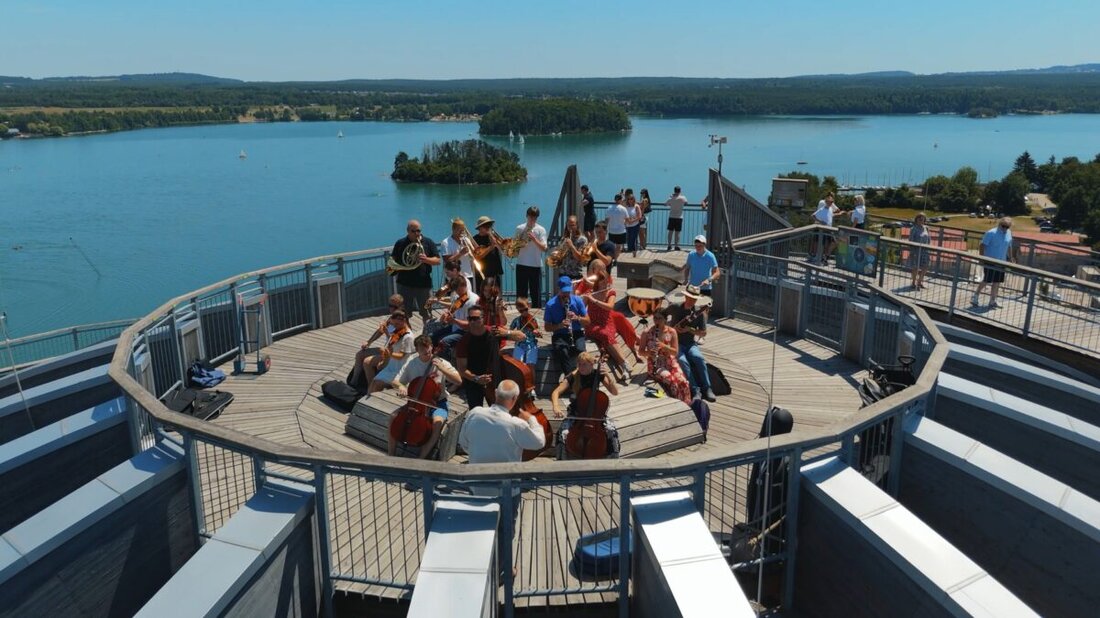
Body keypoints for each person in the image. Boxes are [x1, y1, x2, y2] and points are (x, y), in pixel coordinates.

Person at [458, 379, 547, 552]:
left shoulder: (475, 413)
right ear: (514, 399)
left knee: (480, 528)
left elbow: (464, 443)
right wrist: (533, 420)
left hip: (477, 485)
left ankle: (484, 561)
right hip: (507, 489)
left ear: (496, 394)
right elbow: (539, 442)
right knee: (506, 530)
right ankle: (504, 568)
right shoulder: (516, 424)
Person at [389, 335, 463, 459]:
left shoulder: (442, 363)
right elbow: (395, 381)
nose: (428, 355)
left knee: (438, 422)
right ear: (417, 351)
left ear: (432, 347)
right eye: (423, 353)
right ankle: (390, 454)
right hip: (415, 402)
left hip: (438, 403)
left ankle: (421, 458)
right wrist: (401, 387)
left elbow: (459, 381)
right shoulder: (412, 362)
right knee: (393, 417)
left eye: (429, 351)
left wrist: (442, 368)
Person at [574, 260, 634, 383]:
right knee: (605, 335)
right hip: (592, 323)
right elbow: (581, 309)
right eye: (601, 282)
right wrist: (579, 299)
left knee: (607, 335)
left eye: (605, 281)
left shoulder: (610, 292)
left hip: (606, 322)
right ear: (597, 283)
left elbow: (610, 306)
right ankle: (624, 365)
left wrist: (594, 300)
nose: (604, 284)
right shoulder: (590, 292)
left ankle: (624, 365)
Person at [669, 286, 716, 402]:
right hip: (676, 343)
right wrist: (669, 328)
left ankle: (707, 388)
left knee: (699, 358)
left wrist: (689, 330)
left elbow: (703, 333)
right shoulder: (675, 307)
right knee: (683, 361)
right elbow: (662, 315)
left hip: (690, 343)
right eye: (690, 298)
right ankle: (695, 390)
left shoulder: (699, 312)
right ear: (685, 296)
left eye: (694, 299)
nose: (692, 301)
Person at [391, 220, 441, 326]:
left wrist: (426, 259)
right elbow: (393, 261)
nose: (416, 233)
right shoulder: (400, 243)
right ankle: (407, 336)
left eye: (418, 230)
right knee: (403, 314)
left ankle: (426, 336)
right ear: (408, 231)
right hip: (404, 284)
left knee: (426, 313)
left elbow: (438, 260)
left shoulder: (428, 242)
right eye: (413, 231)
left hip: (423, 285)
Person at [638, 307, 693, 405]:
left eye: (660, 318)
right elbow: (641, 352)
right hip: (656, 365)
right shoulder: (647, 333)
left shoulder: (672, 332)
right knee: (673, 383)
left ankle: (688, 404)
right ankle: (679, 406)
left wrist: (664, 346)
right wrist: (649, 353)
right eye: (655, 318)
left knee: (683, 382)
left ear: (665, 319)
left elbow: (675, 352)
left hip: (670, 362)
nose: (657, 321)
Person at [349, 298, 405, 389]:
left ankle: (373, 388)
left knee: (367, 361)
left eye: (394, 307)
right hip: (386, 350)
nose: (391, 309)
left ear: (401, 306)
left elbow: (394, 340)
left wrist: (385, 330)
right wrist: (368, 342)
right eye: (390, 306)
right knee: (360, 354)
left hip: (394, 354)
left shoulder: (401, 321)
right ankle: (353, 383)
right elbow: (381, 331)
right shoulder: (392, 318)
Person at [543, 275, 591, 376]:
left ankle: (585, 376)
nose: (566, 294)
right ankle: (571, 379)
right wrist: (559, 326)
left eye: (568, 291)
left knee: (581, 350)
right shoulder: (550, 305)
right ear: (558, 290)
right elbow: (547, 327)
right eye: (564, 291)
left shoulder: (577, 301)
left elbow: (588, 321)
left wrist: (577, 318)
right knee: (562, 351)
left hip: (576, 332)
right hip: (559, 334)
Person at [549, 351, 619, 419]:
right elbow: (556, 392)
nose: (581, 367)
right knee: (565, 431)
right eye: (579, 364)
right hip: (577, 410)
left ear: (591, 364)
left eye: (584, 364)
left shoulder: (597, 374)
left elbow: (615, 392)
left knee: (611, 430)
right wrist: (556, 407)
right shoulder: (573, 376)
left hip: (595, 410)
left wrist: (608, 375)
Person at [362, 310, 416, 394]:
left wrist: (389, 354)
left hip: (400, 368)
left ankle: (372, 398)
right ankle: (366, 398)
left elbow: (402, 356)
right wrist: (385, 330)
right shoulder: (396, 329)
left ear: (404, 321)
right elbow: (391, 338)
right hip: (392, 364)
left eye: (397, 324)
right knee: (373, 382)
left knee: (376, 384)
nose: (394, 327)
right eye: (393, 324)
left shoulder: (408, 337)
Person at [454, 306, 495, 409]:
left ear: (483, 318)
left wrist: (508, 333)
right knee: (476, 412)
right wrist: (477, 378)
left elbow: (519, 335)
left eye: (476, 318)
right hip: (473, 381)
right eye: (470, 319)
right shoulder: (463, 342)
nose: (472, 321)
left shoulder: (494, 333)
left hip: (495, 379)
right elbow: (461, 369)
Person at [429, 276, 479, 357]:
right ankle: (431, 359)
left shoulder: (473, 301)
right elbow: (453, 311)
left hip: (466, 331)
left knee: (444, 342)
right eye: (455, 290)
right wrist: (446, 316)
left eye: (458, 289)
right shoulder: (457, 297)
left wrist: (455, 321)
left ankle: (446, 364)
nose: (457, 292)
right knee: (432, 336)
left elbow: (471, 325)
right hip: (456, 327)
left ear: (464, 286)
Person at [972, 217, 1015, 309]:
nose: (1005, 228)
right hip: (990, 260)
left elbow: (1009, 246)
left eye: (1007, 227)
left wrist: (1011, 258)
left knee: (997, 281)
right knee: (987, 280)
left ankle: (992, 301)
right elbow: (982, 245)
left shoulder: (1009, 233)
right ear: (999, 224)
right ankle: (975, 296)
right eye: (1003, 226)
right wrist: (982, 259)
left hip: (1002, 261)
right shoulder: (991, 233)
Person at [514, 205, 549, 308]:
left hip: (535, 265)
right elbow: (514, 247)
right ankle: (520, 314)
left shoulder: (541, 230)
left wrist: (534, 239)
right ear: (527, 216)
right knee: (521, 294)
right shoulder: (519, 228)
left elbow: (544, 248)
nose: (532, 219)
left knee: (536, 294)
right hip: (521, 264)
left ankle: (536, 317)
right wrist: (520, 241)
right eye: (531, 216)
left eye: (535, 217)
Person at [439, 218, 476, 291]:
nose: (462, 232)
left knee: (467, 299)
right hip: (453, 277)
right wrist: (460, 253)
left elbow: (474, 254)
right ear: (453, 229)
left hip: (467, 275)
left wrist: (473, 251)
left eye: (463, 230)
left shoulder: (466, 240)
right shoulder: (446, 242)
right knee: (454, 300)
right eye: (460, 230)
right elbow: (448, 261)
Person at [810, 193, 846, 265]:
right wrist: (821, 222)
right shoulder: (822, 209)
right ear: (826, 202)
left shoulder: (830, 209)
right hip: (823, 229)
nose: (832, 203)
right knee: (823, 244)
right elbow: (812, 216)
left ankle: (824, 257)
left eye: (832, 202)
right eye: (830, 202)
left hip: (829, 229)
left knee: (833, 243)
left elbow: (831, 215)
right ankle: (821, 258)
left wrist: (840, 214)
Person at [472, 215, 504, 293]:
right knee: (483, 295)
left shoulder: (493, 237)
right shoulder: (475, 239)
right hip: (482, 272)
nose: (488, 227)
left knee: (495, 294)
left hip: (495, 271)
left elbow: (504, 249)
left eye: (489, 225)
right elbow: (477, 257)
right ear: (479, 228)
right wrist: (491, 247)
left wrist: (500, 244)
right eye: (485, 226)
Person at [508, 296, 541, 368]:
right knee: (517, 365)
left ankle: (532, 379)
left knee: (531, 365)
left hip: (531, 345)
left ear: (529, 306)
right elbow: (510, 331)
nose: (524, 313)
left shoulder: (534, 320)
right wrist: (515, 333)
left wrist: (537, 333)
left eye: (526, 309)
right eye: (521, 311)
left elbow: (539, 332)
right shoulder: (516, 320)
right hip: (519, 345)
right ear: (518, 310)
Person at [556, 214, 589, 281]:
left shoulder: (583, 240)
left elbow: (579, 258)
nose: (570, 227)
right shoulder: (564, 239)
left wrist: (571, 246)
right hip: (563, 273)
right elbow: (560, 257)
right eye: (568, 225)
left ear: (577, 226)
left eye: (573, 225)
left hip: (575, 274)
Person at [908, 212, 931, 290]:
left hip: (925, 251)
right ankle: (913, 283)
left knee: (925, 267)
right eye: (919, 219)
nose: (921, 220)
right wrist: (912, 250)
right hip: (916, 251)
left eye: (923, 219)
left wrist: (928, 247)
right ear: (916, 219)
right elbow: (910, 240)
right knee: (916, 267)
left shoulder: (926, 228)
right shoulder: (913, 228)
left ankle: (920, 282)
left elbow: (929, 239)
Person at [605, 193, 629, 261]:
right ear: (621, 200)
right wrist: (624, 223)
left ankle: (611, 258)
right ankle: (616, 259)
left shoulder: (609, 208)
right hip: (621, 231)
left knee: (612, 246)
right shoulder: (623, 209)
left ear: (614, 200)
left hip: (611, 231)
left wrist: (605, 229)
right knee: (618, 246)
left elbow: (606, 220)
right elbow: (627, 220)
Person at [665, 186, 688, 251]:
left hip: (672, 216)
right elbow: (686, 203)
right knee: (677, 233)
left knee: (670, 232)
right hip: (679, 217)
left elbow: (665, 204)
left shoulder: (671, 198)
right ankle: (676, 246)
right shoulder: (683, 198)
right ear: (680, 191)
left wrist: (671, 198)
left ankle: (669, 245)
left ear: (674, 191)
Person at [624, 188, 643, 257]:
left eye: (631, 199)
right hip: (628, 225)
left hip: (635, 225)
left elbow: (639, 216)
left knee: (634, 239)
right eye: (628, 199)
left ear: (634, 199)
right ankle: (630, 252)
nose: (630, 200)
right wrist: (626, 221)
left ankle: (634, 254)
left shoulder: (636, 206)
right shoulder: (626, 207)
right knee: (629, 239)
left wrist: (632, 221)